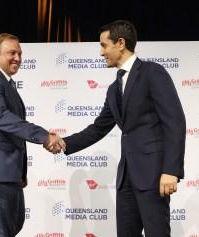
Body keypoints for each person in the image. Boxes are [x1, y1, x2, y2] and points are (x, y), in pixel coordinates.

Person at [61, 20, 186, 237]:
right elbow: (98, 129)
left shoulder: (151, 72)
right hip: (126, 178)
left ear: (120, 43)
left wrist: (171, 170)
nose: (101, 52)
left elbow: (175, 121)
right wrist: (64, 143)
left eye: (103, 45)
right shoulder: (113, 89)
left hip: (154, 175)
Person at [0, 33, 64, 237]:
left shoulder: (6, 83)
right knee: (4, 230)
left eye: (19, 53)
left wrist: (20, 172)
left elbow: (10, 127)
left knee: (13, 225)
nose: (18, 58)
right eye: (12, 52)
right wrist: (44, 136)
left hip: (8, 168)